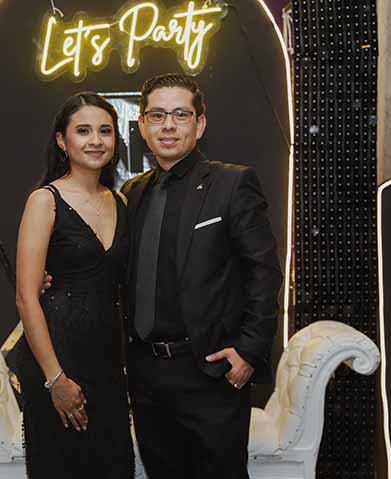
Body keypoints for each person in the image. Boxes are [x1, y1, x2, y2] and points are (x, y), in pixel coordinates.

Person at [121, 73, 283, 478]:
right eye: (157, 115)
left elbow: (263, 272)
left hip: (209, 371)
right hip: (145, 374)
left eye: (181, 114)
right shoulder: (132, 193)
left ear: (200, 123)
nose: (168, 125)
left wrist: (249, 351)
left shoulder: (232, 183)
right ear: (142, 125)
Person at [14, 92, 134, 478]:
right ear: (62, 141)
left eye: (105, 131)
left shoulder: (121, 202)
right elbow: (26, 297)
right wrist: (56, 379)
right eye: (83, 131)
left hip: (107, 363)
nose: (96, 140)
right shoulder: (44, 201)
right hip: (57, 360)